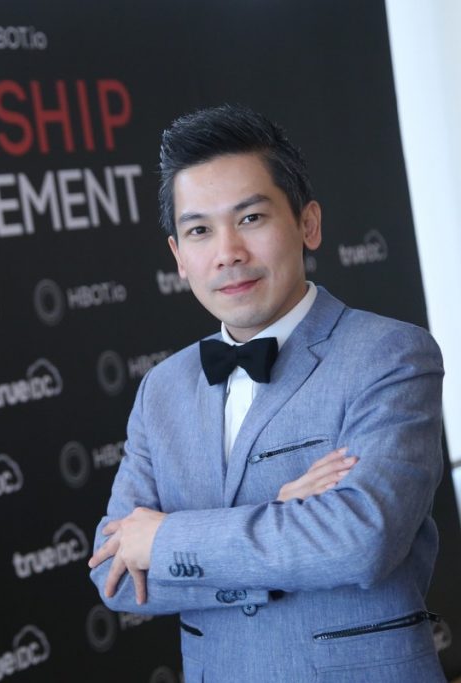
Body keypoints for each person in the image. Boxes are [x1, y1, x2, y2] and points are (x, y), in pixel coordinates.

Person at [87, 104, 445, 681]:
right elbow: (116, 576)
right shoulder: (162, 389)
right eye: (200, 230)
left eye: (251, 218)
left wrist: (166, 540)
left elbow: (362, 539)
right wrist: (282, 518)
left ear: (308, 224)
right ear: (179, 258)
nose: (227, 252)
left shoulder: (390, 354)